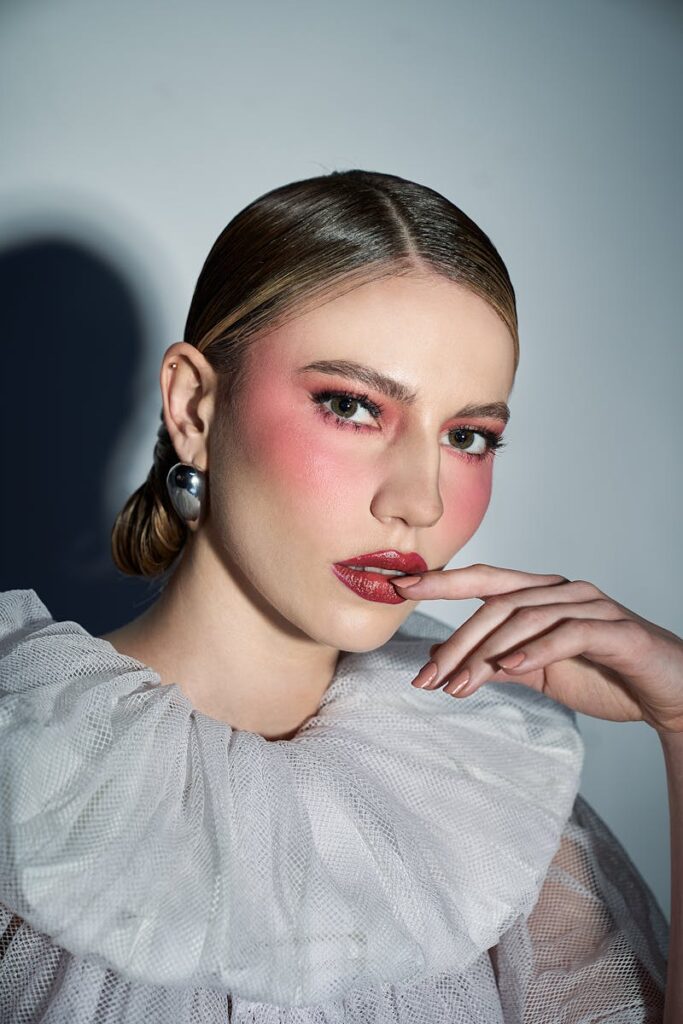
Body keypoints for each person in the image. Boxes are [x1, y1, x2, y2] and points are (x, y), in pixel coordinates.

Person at [0, 169, 679, 1023]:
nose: (420, 501)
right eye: (353, 407)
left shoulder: (475, 789)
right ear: (195, 406)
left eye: (467, 436)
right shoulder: (23, 770)